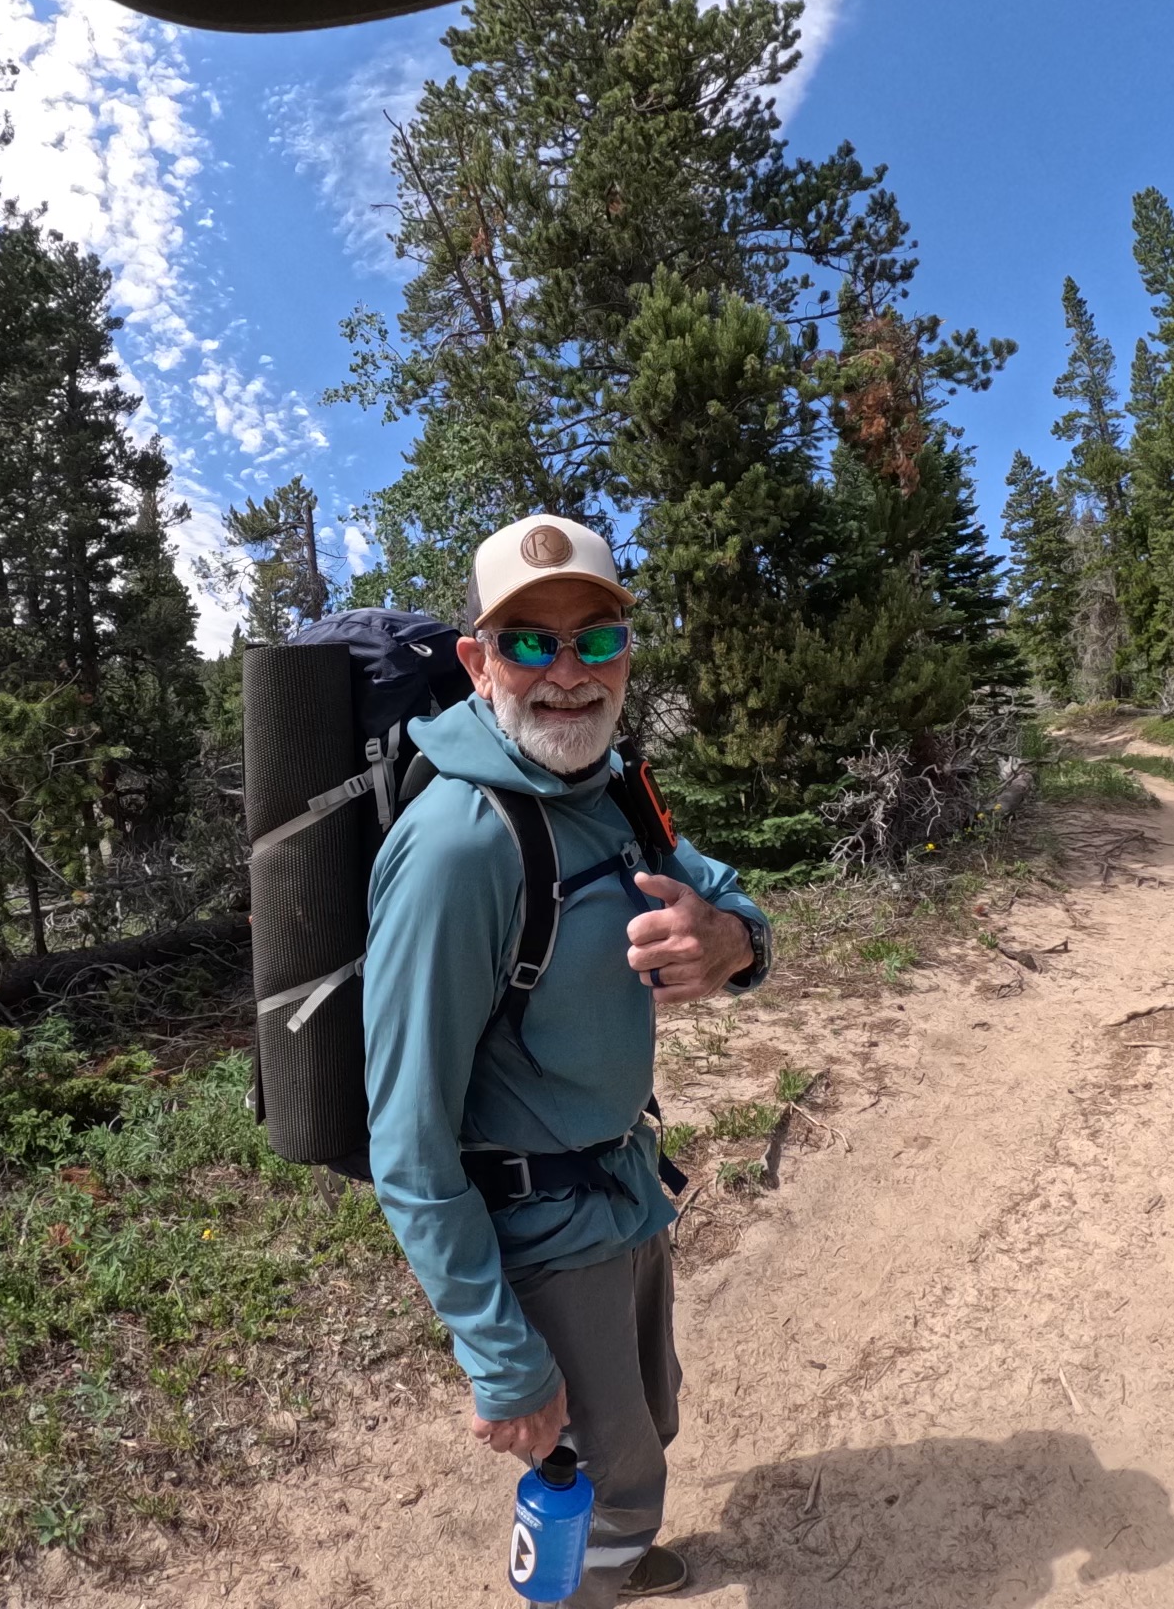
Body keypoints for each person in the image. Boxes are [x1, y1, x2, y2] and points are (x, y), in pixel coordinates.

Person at [363, 513, 773, 1603]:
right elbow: (404, 1140)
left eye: (594, 640)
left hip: (626, 1189)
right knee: (596, 1470)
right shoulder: (458, 847)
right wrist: (499, 1354)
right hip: (541, 1235)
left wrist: (730, 940)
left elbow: (722, 891)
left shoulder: (609, 790)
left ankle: (622, 1563)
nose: (565, 674)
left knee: (648, 1421)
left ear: (626, 656)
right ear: (474, 663)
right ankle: (594, 1579)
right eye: (526, 642)